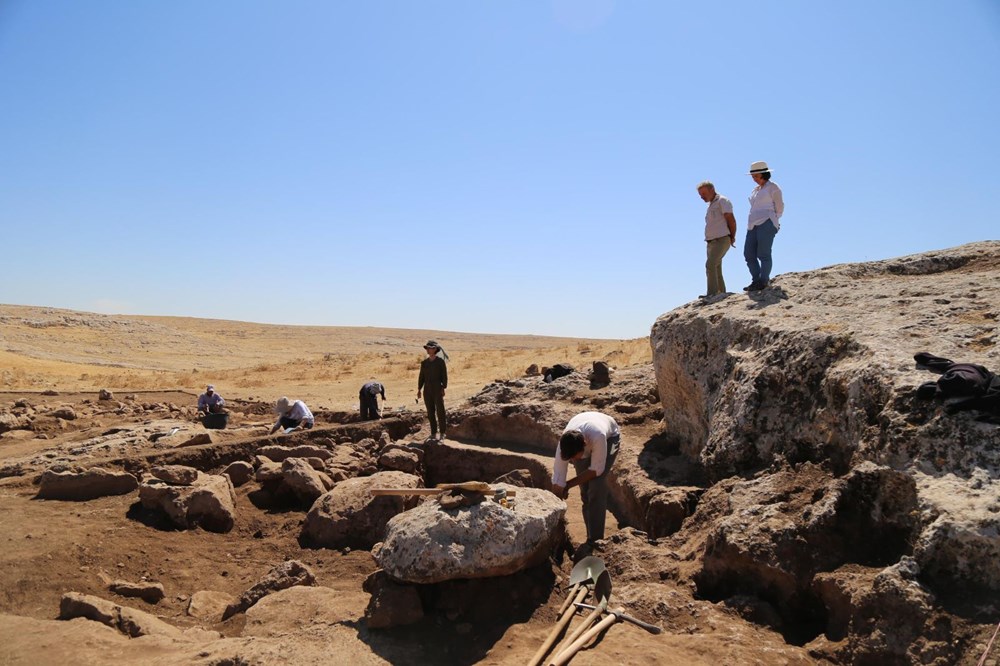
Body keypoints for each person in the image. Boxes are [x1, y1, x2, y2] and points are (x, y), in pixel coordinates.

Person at [551, 411, 621, 547]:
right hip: (583, 427)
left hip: (610, 437)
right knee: (585, 491)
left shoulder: (598, 436)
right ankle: (590, 536)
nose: (572, 461)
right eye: (570, 458)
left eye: (574, 457)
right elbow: (558, 480)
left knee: (596, 487)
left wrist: (569, 485)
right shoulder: (565, 443)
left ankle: (596, 540)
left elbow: (596, 470)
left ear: (584, 444)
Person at [744, 160, 784, 292]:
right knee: (749, 254)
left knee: (763, 253)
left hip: (767, 221)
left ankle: (764, 280)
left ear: (763, 174)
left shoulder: (773, 187)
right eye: (753, 176)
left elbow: (779, 206)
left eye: (756, 176)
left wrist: (774, 220)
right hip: (752, 224)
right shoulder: (755, 190)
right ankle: (756, 280)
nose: (754, 179)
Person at [697, 180, 737, 297]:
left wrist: (732, 237)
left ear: (712, 190)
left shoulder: (722, 201)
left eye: (703, 194)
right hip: (711, 242)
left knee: (710, 265)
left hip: (722, 239)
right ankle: (721, 293)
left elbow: (731, 220)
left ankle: (712, 293)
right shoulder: (711, 205)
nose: (702, 197)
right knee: (716, 267)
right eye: (700, 195)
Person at [416, 340, 448, 440]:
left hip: (438, 388)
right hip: (427, 389)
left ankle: (442, 432)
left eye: (431, 348)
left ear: (435, 349)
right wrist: (419, 389)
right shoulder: (424, 363)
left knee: (440, 411)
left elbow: (444, 376)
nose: (429, 350)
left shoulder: (440, 362)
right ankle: (433, 433)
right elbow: (421, 377)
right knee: (430, 412)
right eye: (428, 348)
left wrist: (443, 387)